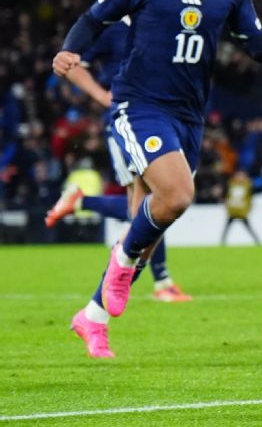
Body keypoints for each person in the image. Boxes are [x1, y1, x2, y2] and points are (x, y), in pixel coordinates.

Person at [53, 0, 262, 358]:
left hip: (189, 115)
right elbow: (94, 18)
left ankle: (93, 318)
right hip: (140, 104)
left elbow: (253, 44)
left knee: (149, 225)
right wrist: (69, 49)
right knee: (178, 195)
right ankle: (121, 262)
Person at [46, 19, 193, 302]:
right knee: (153, 202)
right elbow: (72, 64)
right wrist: (102, 96)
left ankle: (81, 202)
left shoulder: (160, 20)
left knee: (146, 205)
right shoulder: (113, 27)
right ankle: (161, 282)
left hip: (159, 122)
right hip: (127, 124)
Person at [221, 169, 260, 245]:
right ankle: (222, 242)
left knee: (248, 227)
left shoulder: (248, 186)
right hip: (233, 210)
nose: (239, 177)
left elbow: (250, 198)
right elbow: (226, 197)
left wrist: (248, 208)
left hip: (242, 211)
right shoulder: (230, 184)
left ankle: (257, 241)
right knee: (227, 227)